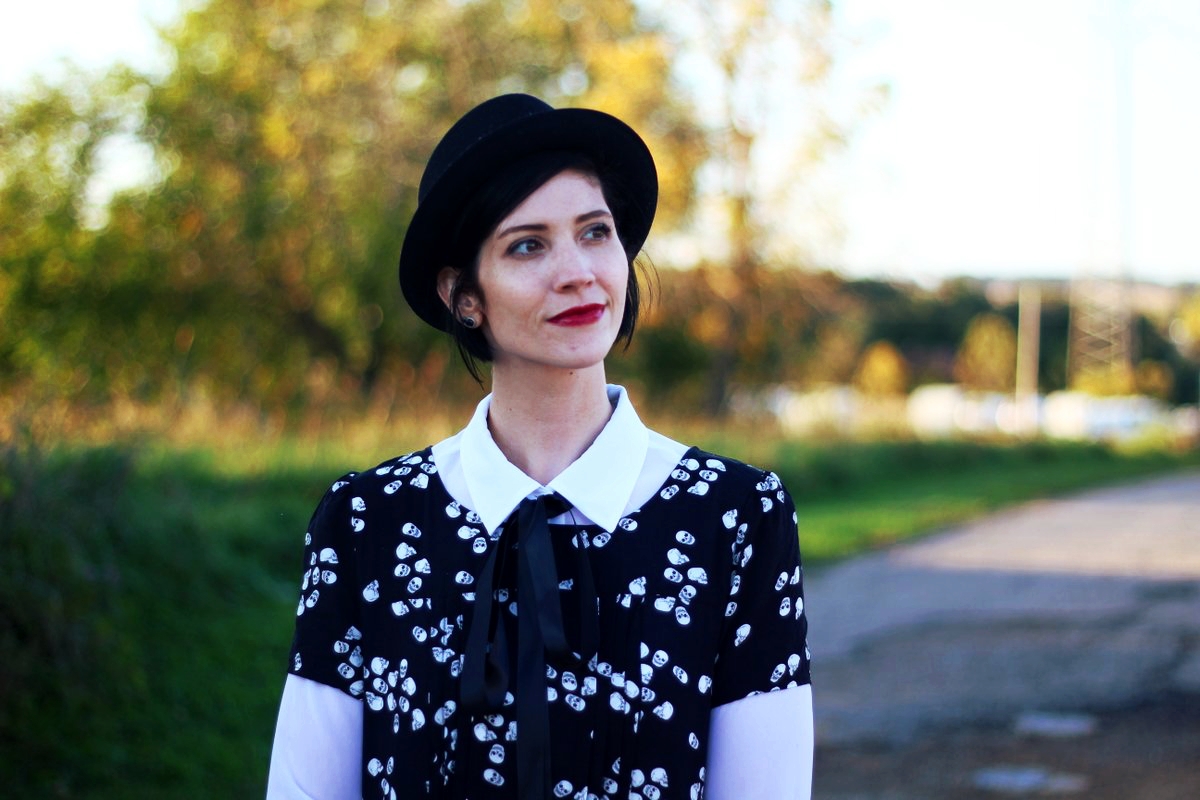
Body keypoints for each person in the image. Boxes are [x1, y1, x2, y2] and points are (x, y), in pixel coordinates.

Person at [267, 93, 813, 800]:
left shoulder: (737, 516)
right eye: (528, 245)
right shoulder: (367, 521)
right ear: (463, 296)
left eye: (595, 232)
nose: (577, 271)